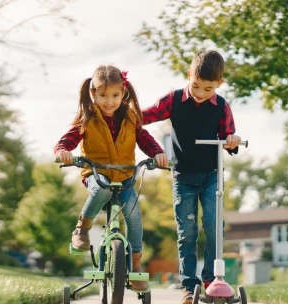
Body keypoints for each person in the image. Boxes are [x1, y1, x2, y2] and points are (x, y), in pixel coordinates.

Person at [54, 65, 168, 291]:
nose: (109, 101)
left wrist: (157, 153)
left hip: (125, 176)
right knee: (102, 188)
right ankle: (82, 229)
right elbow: (67, 140)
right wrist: (62, 152)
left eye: (115, 95)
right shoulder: (87, 118)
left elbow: (144, 138)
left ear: (123, 93)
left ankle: (135, 266)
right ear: (93, 94)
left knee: (134, 216)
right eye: (103, 95)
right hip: (96, 174)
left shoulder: (131, 117)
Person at [141, 50, 241, 304]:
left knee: (213, 225)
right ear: (189, 75)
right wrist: (121, 114)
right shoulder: (174, 100)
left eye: (207, 89)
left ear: (219, 83)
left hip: (211, 174)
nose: (199, 93)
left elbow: (229, 138)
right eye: (196, 86)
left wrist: (232, 140)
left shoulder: (221, 107)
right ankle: (189, 286)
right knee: (187, 231)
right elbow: (145, 116)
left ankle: (211, 280)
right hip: (183, 176)